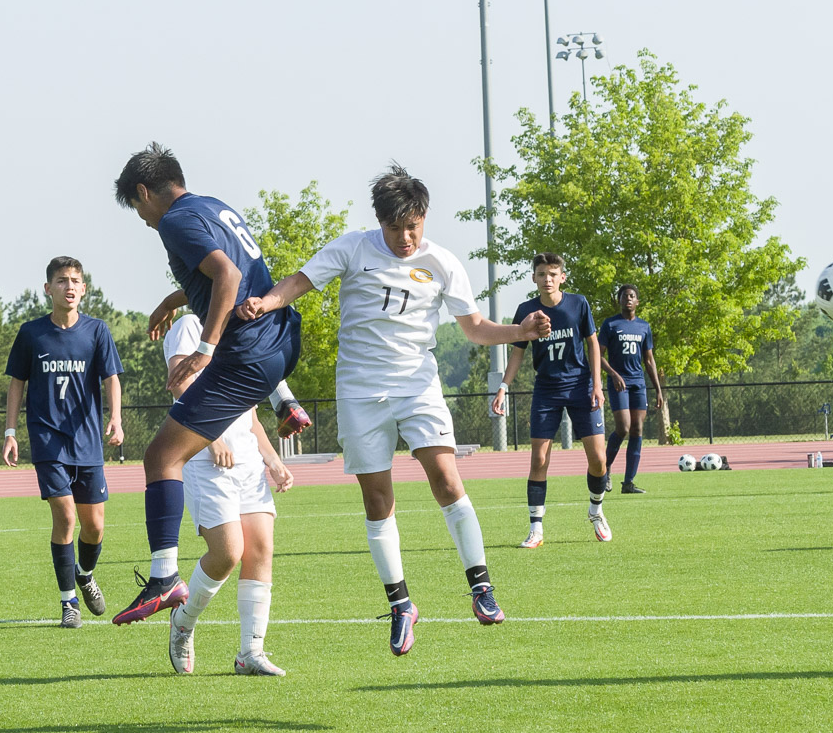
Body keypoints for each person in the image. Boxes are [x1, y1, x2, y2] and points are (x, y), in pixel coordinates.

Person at [239, 163, 551, 656]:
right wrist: (265, 303)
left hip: (417, 385)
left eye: (413, 225)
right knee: (377, 497)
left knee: (446, 478)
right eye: (395, 227)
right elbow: (299, 281)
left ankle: (481, 584)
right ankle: (401, 603)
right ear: (379, 221)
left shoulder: (443, 262)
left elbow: (474, 328)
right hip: (360, 390)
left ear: (424, 218)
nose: (405, 237)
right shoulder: (352, 247)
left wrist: (521, 332)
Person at [111, 143, 303, 626]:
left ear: (144, 192)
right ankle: (283, 400)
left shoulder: (174, 220)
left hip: (247, 351)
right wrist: (175, 299)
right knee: (180, 460)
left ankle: (164, 577)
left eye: (138, 209)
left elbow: (227, 274)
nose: (144, 220)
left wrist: (205, 348)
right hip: (281, 339)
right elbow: (234, 273)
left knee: (161, 456)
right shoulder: (214, 206)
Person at [163, 313, 294, 677]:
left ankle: (250, 652)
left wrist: (272, 460)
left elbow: (249, 413)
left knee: (260, 548)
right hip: (205, 458)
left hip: (247, 461)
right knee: (227, 552)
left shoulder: (241, 330)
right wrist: (212, 437)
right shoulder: (190, 324)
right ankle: (183, 621)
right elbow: (180, 383)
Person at [2, 256, 124, 629]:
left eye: (75, 280)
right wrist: (10, 432)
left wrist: (116, 418)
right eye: (61, 280)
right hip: (47, 440)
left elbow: (111, 378)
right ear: (48, 289)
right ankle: (68, 601)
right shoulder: (31, 334)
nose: (69, 286)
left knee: (95, 527)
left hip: (87, 441)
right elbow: (16, 383)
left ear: (83, 289)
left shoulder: (97, 331)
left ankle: (85, 574)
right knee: (66, 518)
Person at [492, 252, 611, 549]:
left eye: (553, 273)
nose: (547, 279)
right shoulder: (526, 311)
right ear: (534, 278)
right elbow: (517, 353)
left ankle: (596, 510)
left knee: (599, 460)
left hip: (581, 387)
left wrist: (597, 385)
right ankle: (536, 529)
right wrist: (504, 387)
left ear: (562, 278)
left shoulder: (578, 304)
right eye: (542, 273)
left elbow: (593, 344)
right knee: (539, 459)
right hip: (546, 390)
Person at [598, 284, 663, 494]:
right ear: (619, 300)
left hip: (638, 383)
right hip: (619, 383)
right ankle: (604, 468)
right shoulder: (610, 324)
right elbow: (597, 356)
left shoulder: (644, 326)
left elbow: (649, 360)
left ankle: (628, 483)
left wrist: (658, 389)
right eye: (624, 295)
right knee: (623, 428)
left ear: (637, 302)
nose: (628, 298)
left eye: (632, 296)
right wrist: (613, 374)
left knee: (637, 429)